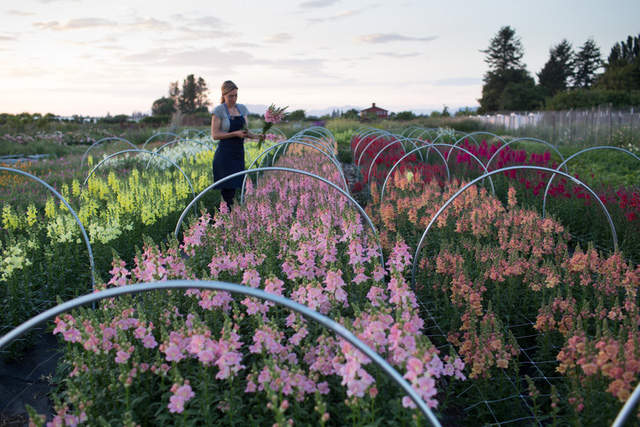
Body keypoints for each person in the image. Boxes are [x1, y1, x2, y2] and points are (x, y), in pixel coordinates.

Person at [211, 80, 260, 208]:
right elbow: (215, 135)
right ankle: (227, 219)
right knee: (227, 192)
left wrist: (258, 137)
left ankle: (233, 218)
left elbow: (246, 132)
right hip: (225, 155)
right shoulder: (219, 111)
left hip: (238, 154)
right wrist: (235, 134)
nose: (233, 99)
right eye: (230, 96)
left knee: (236, 189)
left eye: (235, 95)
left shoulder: (242, 109)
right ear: (223, 95)